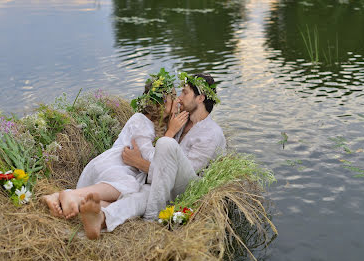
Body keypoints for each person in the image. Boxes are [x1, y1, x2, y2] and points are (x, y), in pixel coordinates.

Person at [79, 72, 226, 239]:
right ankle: (102, 218)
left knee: (165, 143)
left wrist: (140, 164)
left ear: (200, 98)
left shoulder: (211, 134)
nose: (179, 97)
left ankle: (152, 217)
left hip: (188, 186)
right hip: (162, 183)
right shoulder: (181, 121)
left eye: (185, 92)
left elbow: (182, 173)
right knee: (138, 195)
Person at [41, 69, 184, 220]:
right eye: (173, 97)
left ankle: (65, 199)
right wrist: (170, 133)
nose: (177, 101)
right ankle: (71, 194)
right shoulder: (140, 122)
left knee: (127, 199)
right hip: (115, 164)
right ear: (162, 102)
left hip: (126, 170)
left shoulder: (154, 124)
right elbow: (155, 158)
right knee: (129, 186)